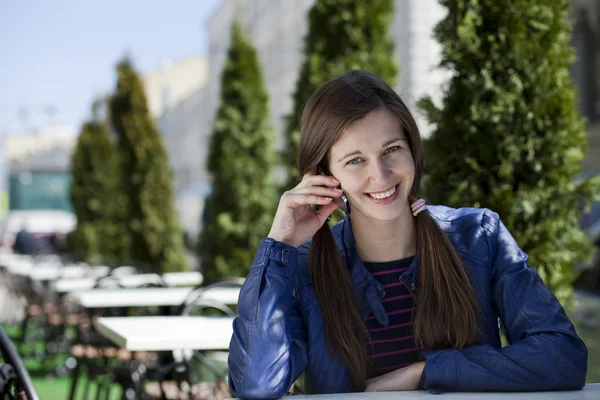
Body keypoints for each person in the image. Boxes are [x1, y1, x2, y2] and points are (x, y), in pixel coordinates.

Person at [227, 70, 588, 398]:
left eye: (391, 150)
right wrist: (279, 244)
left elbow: (562, 355)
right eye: (355, 160)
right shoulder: (305, 268)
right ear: (324, 174)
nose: (381, 176)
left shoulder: (478, 237)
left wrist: (426, 372)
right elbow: (257, 387)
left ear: (412, 150)